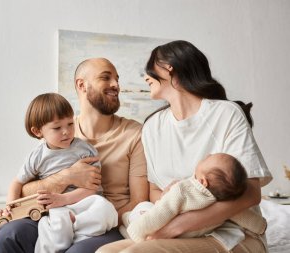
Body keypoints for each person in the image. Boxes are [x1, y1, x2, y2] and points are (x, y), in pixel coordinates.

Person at [97, 40, 272, 253]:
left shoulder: (226, 114)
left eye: (150, 69)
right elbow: (154, 191)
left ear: (169, 68)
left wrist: (177, 227)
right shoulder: (152, 126)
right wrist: (171, 202)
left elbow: (251, 194)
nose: (145, 76)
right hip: (176, 231)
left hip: (233, 233)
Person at [0, 58, 149, 253]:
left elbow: (138, 201)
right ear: (81, 85)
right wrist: (67, 176)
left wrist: (84, 224)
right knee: (10, 233)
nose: (116, 85)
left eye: (117, 79)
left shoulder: (135, 133)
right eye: (106, 77)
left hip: (106, 221)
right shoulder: (56, 131)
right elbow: (25, 188)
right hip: (54, 214)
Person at [0, 93, 119, 253]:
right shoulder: (37, 156)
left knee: (106, 209)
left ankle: (77, 225)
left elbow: (92, 188)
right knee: (56, 229)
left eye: (70, 124)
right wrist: (10, 209)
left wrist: (64, 198)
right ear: (38, 131)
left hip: (85, 203)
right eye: (57, 128)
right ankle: (71, 231)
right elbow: (17, 183)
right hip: (57, 210)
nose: (66, 131)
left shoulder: (85, 150)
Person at [119, 153, 266, 244]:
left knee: (142, 208)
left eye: (208, 158)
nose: (207, 155)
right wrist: (261, 226)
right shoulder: (223, 202)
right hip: (190, 236)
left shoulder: (184, 191)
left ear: (202, 182)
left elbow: (161, 212)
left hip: (160, 226)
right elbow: (247, 218)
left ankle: (128, 221)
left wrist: (137, 234)